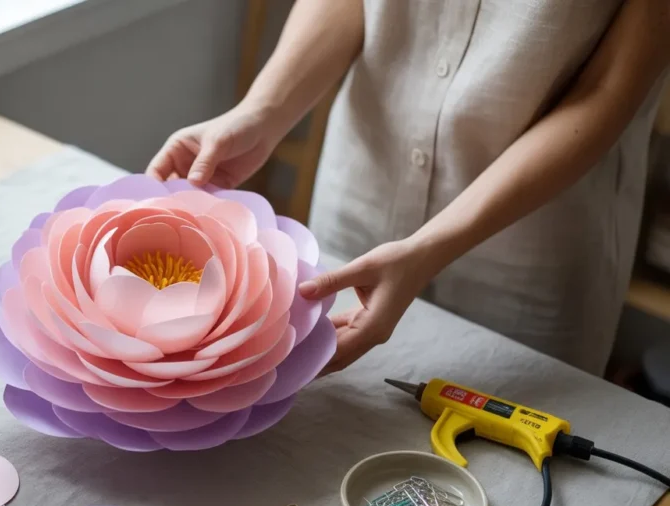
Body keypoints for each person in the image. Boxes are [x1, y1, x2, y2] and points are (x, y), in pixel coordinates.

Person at [146, 0, 670, 377]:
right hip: (362, 191)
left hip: (533, 246)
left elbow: (605, 89)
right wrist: (263, 112)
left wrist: (427, 250)